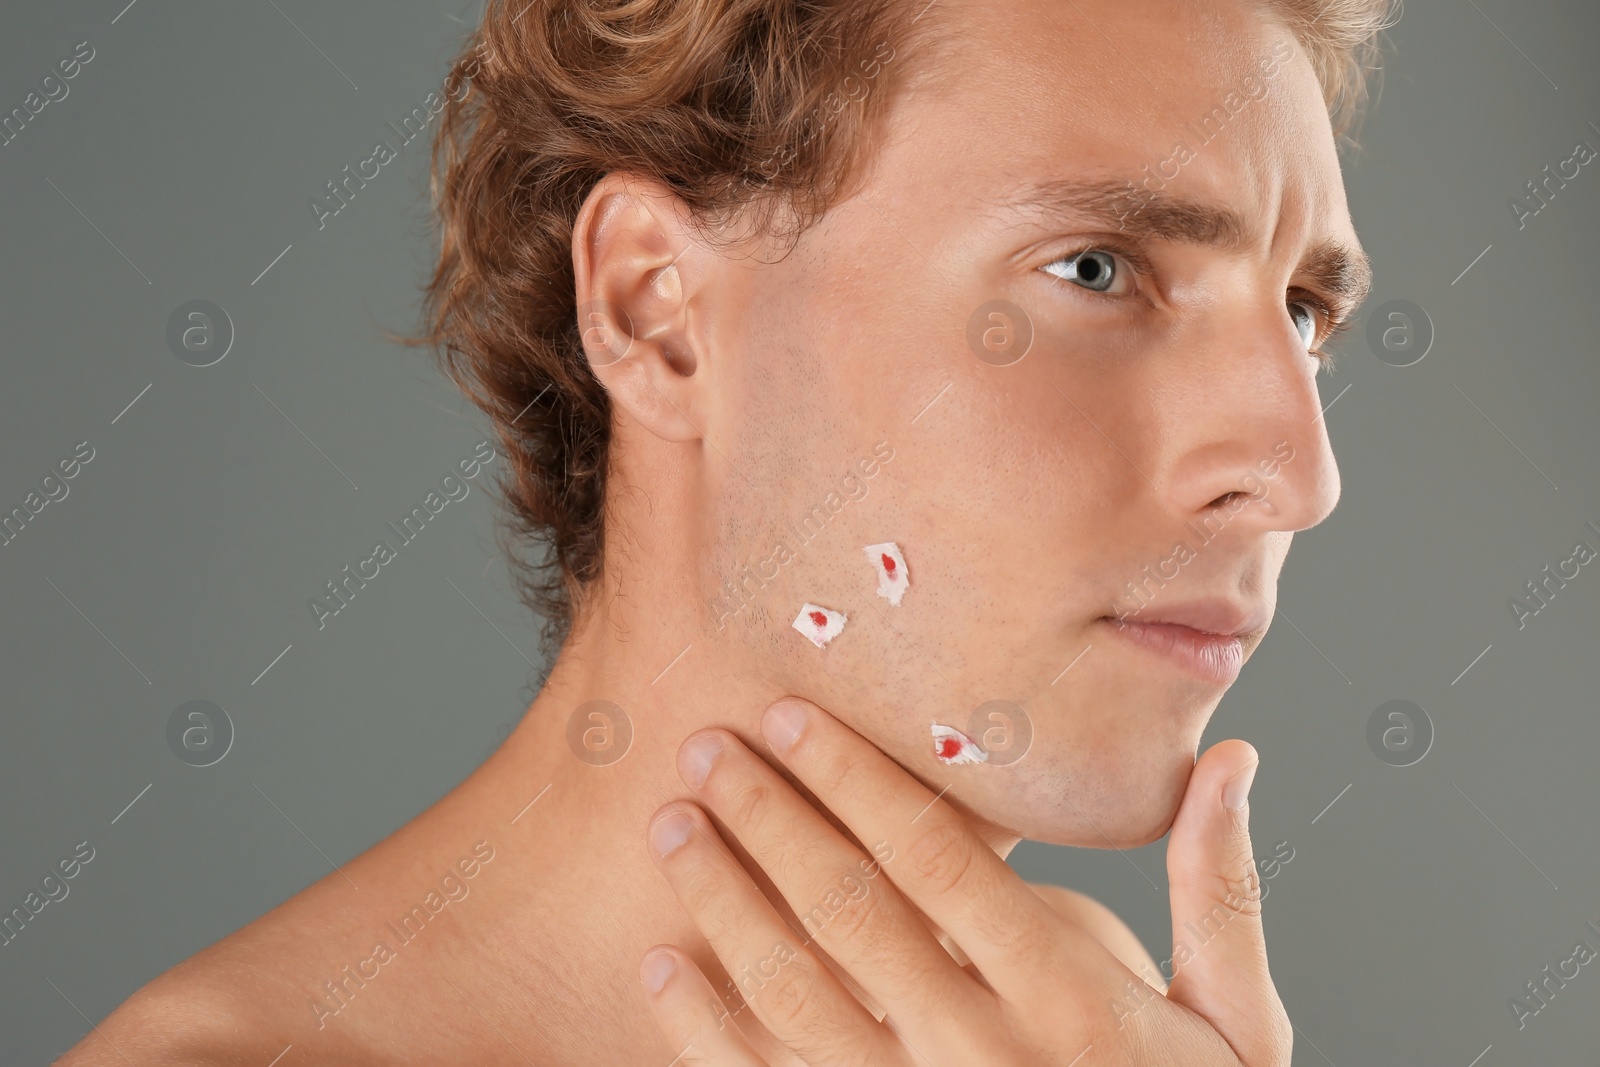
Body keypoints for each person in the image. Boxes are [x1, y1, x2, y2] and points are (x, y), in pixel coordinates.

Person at [56, 0, 1392, 1062]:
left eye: (1302, 316)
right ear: (658, 314)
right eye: (1096, 269)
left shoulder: (1063, 1024)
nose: (1297, 471)